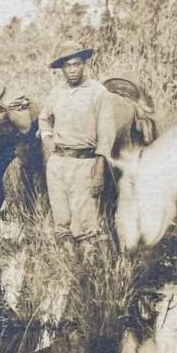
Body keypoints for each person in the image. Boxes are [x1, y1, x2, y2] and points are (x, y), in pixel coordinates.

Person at [38, 40, 120, 246]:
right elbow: (43, 118)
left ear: (84, 65)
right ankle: (65, 269)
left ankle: (88, 271)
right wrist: (47, 138)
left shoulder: (98, 93)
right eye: (68, 66)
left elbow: (106, 134)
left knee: (86, 226)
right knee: (61, 221)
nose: (72, 70)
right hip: (58, 163)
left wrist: (99, 170)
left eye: (77, 64)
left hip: (85, 163)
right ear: (61, 69)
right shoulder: (57, 92)